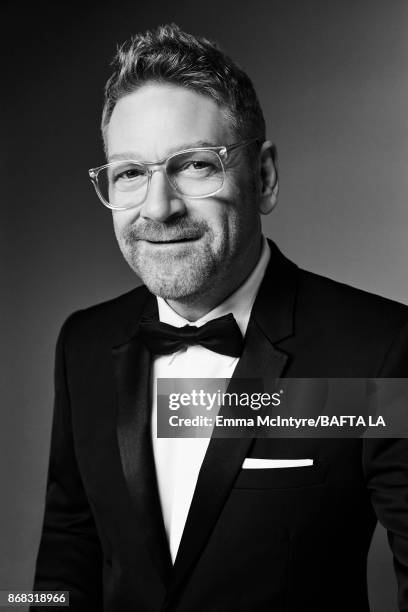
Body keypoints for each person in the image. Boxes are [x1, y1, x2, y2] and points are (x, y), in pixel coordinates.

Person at [32, 24, 408, 612]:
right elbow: (68, 547)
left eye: (195, 165)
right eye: (130, 173)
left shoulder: (381, 349)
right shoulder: (82, 343)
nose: (158, 207)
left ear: (263, 177)